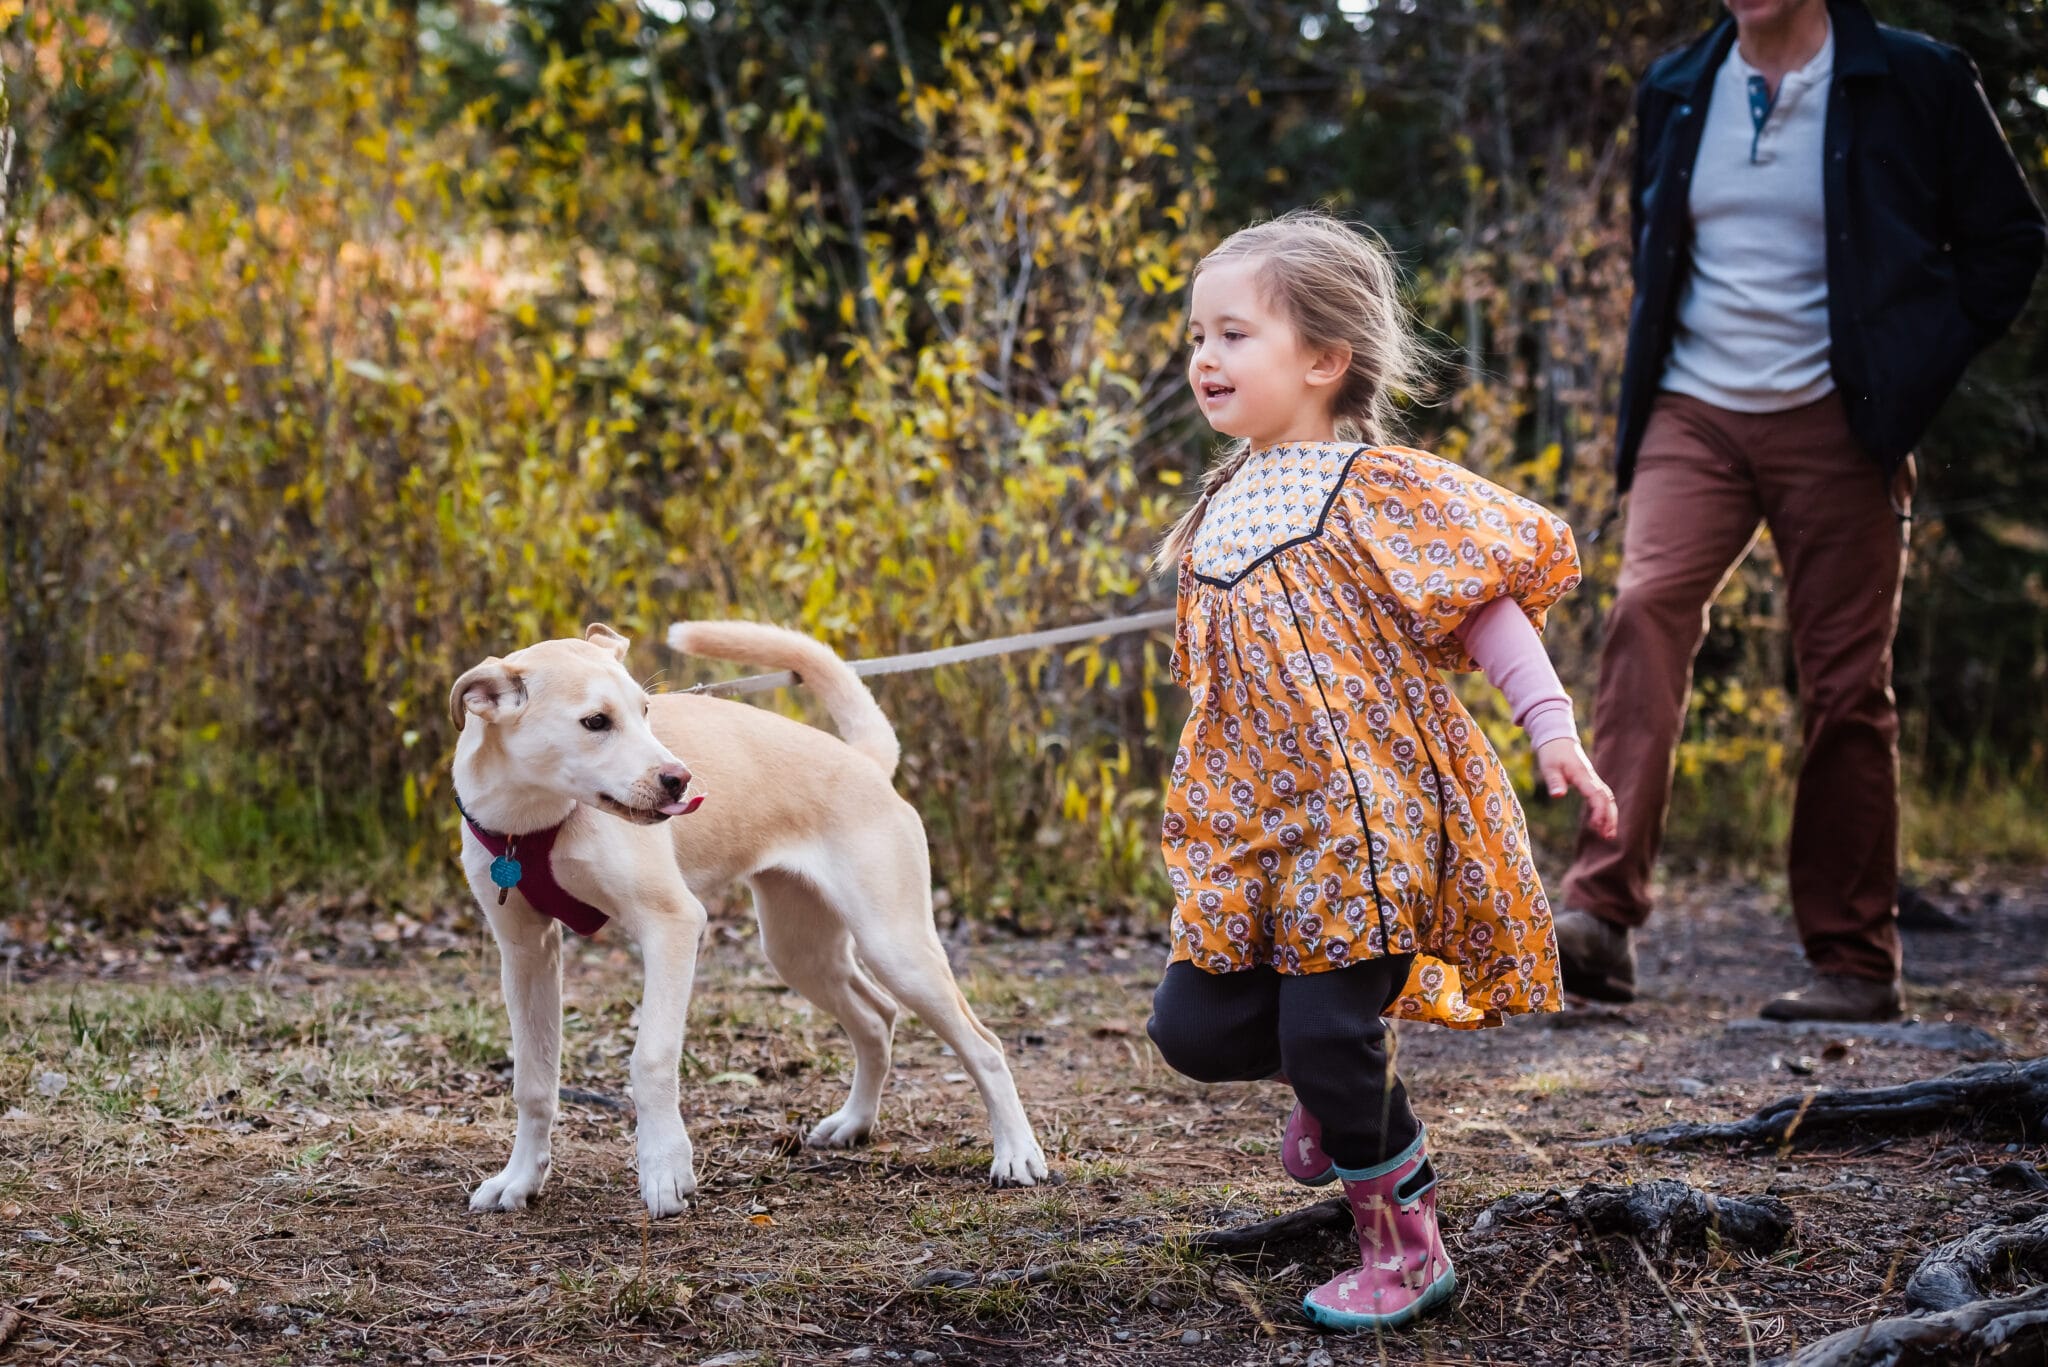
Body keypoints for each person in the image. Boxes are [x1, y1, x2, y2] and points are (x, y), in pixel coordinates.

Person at [1144, 209, 1616, 1331]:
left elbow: (1489, 608)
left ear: (1320, 358)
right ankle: (1336, 1085)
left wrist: (1550, 725)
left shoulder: (1376, 486)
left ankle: (1403, 1250)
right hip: (1257, 830)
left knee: (1325, 1028)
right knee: (1192, 1029)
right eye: (1195, 337)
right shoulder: (1215, 507)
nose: (1203, 358)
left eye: (1232, 334)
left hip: (1370, 818)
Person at [1556, 0, 2046, 1022]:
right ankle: (1598, 916)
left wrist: (1910, 371)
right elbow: (1658, 250)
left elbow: (2006, 240)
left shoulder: (1915, 79)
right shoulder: (1674, 86)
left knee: (1841, 684)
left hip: (1842, 418)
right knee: (1642, 609)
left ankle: (1853, 959)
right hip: (1692, 410)